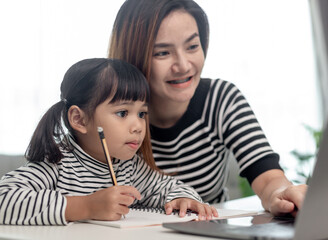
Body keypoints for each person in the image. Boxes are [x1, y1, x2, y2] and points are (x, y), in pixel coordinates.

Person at [108, 0, 307, 216]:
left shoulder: (222, 100)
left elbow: (268, 178)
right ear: (133, 58)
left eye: (192, 46)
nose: (183, 66)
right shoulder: (108, 114)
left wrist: (282, 192)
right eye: (163, 53)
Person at [0, 58, 217, 226]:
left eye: (141, 114)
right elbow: (4, 198)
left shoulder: (129, 168)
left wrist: (183, 198)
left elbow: (168, 187)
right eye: (123, 113)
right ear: (79, 119)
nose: (138, 126)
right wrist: (86, 207)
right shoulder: (57, 163)